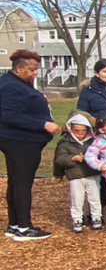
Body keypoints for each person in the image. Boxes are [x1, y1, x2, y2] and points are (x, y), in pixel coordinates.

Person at [0, 50, 61, 240]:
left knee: (17, 182)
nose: (35, 72)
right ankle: (24, 228)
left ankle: (15, 224)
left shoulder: (18, 83)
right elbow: (10, 115)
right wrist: (44, 124)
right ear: (19, 68)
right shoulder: (12, 86)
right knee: (22, 183)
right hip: (20, 141)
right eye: (32, 69)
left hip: (23, 140)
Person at [53, 112, 102, 234]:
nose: (80, 133)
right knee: (77, 199)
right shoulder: (64, 143)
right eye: (77, 130)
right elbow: (59, 159)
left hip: (92, 174)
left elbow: (101, 154)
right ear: (71, 129)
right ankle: (77, 219)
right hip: (75, 176)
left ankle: (96, 217)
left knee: (95, 198)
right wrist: (71, 160)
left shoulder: (93, 141)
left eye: (83, 130)